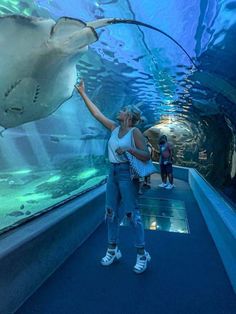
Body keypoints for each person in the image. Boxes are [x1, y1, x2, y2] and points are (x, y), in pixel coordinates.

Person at [75, 80, 151, 274]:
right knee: (110, 212)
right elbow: (96, 114)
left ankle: (142, 254)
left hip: (127, 174)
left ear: (129, 116)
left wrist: (128, 148)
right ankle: (112, 249)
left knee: (131, 215)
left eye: (123, 110)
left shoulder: (135, 132)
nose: (120, 111)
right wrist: (83, 93)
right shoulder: (114, 128)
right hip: (113, 172)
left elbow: (146, 155)